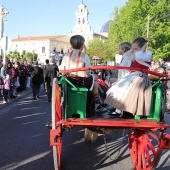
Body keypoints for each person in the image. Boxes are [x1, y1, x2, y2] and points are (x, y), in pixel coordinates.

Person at [105, 37, 152, 117]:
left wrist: (144, 47)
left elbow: (140, 57)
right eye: (133, 48)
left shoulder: (147, 54)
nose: (134, 50)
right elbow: (126, 56)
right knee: (119, 87)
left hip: (141, 77)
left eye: (136, 48)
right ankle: (118, 110)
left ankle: (126, 111)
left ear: (142, 47)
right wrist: (132, 49)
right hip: (133, 75)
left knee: (127, 90)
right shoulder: (137, 54)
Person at [59, 35, 106, 112]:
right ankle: (97, 103)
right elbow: (88, 70)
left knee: (94, 78)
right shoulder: (84, 56)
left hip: (69, 81)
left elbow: (62, 68)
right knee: (96, 82)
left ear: (71, 45)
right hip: (82, 82)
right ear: (82, 45)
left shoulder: (66, 56)